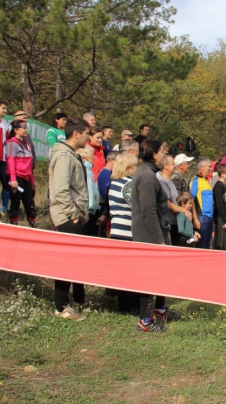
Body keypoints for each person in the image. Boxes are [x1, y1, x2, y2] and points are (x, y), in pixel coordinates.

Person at [49, 118, 90, 321]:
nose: (88, 138)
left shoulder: (72, 154)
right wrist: (73, 215)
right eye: (86, 134)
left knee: (73, 261)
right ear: (76, 134)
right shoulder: (64, 155)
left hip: (74, 215)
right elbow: (60, 189)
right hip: (67, 217)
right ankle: (61, 306)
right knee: (65, 262)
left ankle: (75, 300)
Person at [132, 139, 173, 332]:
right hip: (149, 236)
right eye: (162, 152)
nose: (164, 156)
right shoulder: (147, 176)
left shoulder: (149, 173)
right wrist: (160, 240)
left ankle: (160, 309)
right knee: (149, 277)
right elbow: (148, 212)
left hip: (155, 233)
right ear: (154, 154)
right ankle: (145, 321)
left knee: (160, 275)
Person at [108, 152, 140, 313]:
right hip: (127, 230)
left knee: (122, 269)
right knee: (130, 270)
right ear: (128, 168)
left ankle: (126, 303)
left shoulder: (114, 183)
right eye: (135, 166)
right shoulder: (128, 184)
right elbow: (137, 207)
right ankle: (130, 305)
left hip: (116, 229)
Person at [5, 120, 37, 227]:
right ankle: (14, 225)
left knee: (30, 203)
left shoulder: (27, 144)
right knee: (15, 202)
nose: (26, 130)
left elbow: (28, 165)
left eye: (26, 127)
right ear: (16, 130)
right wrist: (13, 178)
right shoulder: (12, 143)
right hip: (16, 177)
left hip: (26, 177)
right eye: (23, 128)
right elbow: (10, 160)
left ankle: (33, 226)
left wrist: (32, 180)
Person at [158, 155, 192, 245]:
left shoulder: (170, 182)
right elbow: (168, 204)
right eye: (173, 164)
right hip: (168, 223)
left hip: (175, 222)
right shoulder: (162, 182)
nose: (175, 166)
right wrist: (185, 210)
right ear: (166, 166)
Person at [77, 145, 105, 238]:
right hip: (88, 209)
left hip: (91, 208)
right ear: (85, 157)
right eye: (92, 155)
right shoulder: (84, 169)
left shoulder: (89, 170)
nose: (93, 158)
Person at [190, 159, 214, 249]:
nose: (211, 169)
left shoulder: (206, 181)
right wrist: (195, 219)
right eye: (209, 166)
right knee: (201, 244)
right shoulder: (195, 181)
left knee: (207, 244)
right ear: (201, 167)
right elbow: (191, 200)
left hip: (210, 218)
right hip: (201, 217)